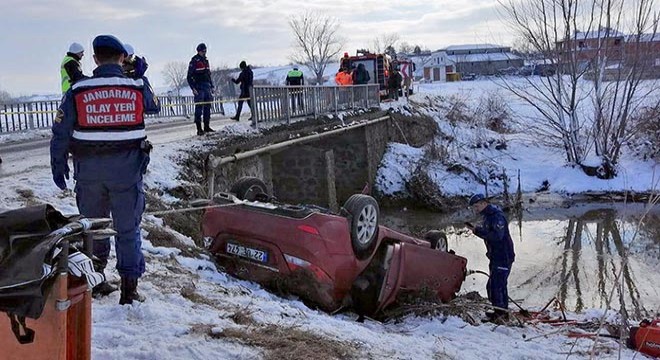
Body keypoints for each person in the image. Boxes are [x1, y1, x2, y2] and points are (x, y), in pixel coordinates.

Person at [50, 34, 161, 305]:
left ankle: (95, 279)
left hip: (88, 173)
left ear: (96, 58)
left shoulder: (77, 90)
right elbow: (154, 105)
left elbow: (60, 132)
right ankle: (129, 289)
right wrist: (141, 76)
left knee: (93, 227)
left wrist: (58, 163)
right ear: (122, 58)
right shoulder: (135, 85)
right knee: (127, 229)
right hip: (127, 173)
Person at [466, 194, 515, 321]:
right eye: (474, 207)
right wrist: (476, 229)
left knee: (497, 285)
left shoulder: (496, 216)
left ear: (483, 203)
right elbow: (490, 232)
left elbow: (497, 236)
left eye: (476, 206)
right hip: (495, 256)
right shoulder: (488, 216)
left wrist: (478, 231)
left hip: (503, 256)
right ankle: (500, 311)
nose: (475, 209)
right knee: (494, 285)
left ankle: (501, 315)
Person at [187, 43, 215, 135]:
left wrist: (212, 86)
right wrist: (193, 88)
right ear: (199, 51)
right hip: (199, 87)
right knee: (199, 107)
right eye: (203, 51)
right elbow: (189, 76)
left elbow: (208, 74)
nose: (204, 52)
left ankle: (206, 126)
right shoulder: (194, 61)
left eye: (205, 51)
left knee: (207, 107)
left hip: (207, 86)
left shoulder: (206, 61)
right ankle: (199, 129)